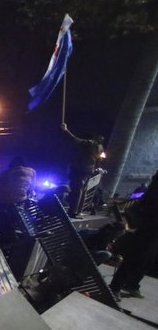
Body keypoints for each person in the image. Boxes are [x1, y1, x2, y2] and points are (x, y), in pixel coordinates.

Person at [109, 169, 158, 299]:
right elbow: (150, 203)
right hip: (150, 224)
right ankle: (115, 287)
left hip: (153, 226)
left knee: (148, 260)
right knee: (135, 256)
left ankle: (132, 285)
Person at [61, 123, 104, 218]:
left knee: (77, 191)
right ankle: (78, 211)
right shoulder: (100, 147)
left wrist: (65, 130)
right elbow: (99, 159)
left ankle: (73, 212)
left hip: (79, 169)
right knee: (83, 192)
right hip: (88, 171)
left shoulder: (89, 143)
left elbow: (75, 140)